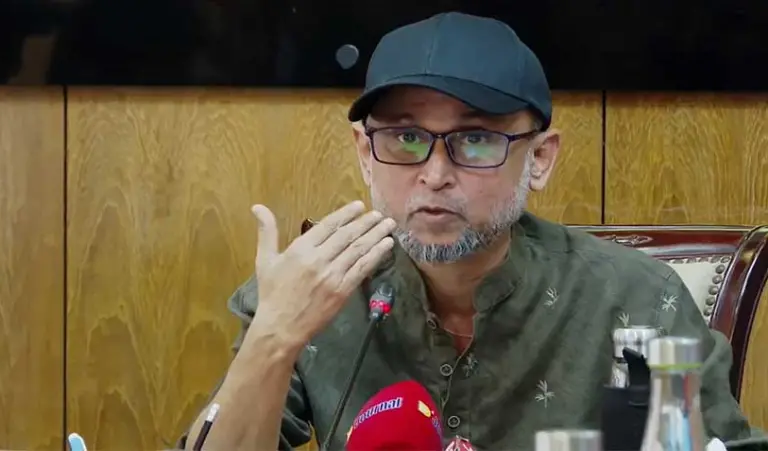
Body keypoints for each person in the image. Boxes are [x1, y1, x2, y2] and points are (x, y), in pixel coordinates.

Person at [181, 11, 759, 451]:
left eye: (475, 139)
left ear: (539, 159)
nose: (435, 175)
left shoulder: (636, 300)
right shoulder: (314, 287)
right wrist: (274, 339)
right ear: (364, 153)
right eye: (406, 138)